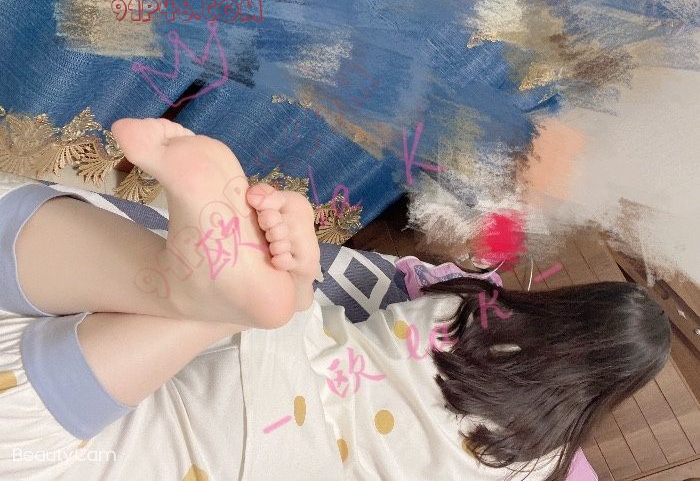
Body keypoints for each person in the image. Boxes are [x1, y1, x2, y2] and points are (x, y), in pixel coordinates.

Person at [0, 118, 670, 480]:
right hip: (261, 454)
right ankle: (215, 300)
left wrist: (306, 280)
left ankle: (225, 295)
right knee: (23, 439)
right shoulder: (541, 464)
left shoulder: (468, 304)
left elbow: (399, 276)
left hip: (278, 350)